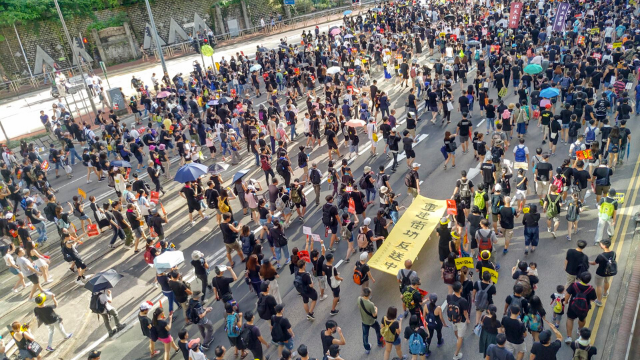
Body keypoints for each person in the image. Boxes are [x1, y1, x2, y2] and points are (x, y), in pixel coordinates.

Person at [564, 271, 597, 344]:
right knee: (582, 319)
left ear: (581, 278)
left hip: (573, 307)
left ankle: (569, 337)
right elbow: (593, 299)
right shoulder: (591, 289)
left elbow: (567, 295)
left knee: (570, 319)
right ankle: (579, 330)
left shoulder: (574, 285)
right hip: (584, 308)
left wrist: (566, 301)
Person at [447, 281, 470, 360]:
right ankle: (456, 354)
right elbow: (465, 312)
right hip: (461, 321)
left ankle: (458, 339)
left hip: (453, 318)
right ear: (460, 290)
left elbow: (448, 306)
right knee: (461, 337)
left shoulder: (449, 296)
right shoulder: (463, 301)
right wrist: (467, 319)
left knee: (455, 329)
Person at [358, 287, 384, 354]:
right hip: (372, 321)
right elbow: (374, 315)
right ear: (369, 294)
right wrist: (376, 308)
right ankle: (379, 342)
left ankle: (367, 348)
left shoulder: (359, 299)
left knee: (365, 335)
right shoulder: (370, 304)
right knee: (378, 330)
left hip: (364, 321)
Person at [590, 239, 615, 306]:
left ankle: (599, 301)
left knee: (599, 286)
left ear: (604, 246)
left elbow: (594, 263)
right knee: (606, 282)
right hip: (609, 271)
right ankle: (605, 293)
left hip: (600, 272)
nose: (600, 245)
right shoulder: (613, 253)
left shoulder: (601, 256)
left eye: (600, 244)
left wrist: (588, 262)